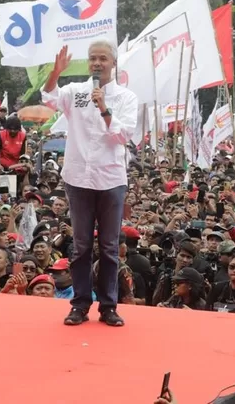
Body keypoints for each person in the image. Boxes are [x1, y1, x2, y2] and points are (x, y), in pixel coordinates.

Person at [42, 41, 138, 327]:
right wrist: (56, 72)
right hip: (78, 178)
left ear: (113, 63)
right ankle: (80, 304)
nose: (97, 63)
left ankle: (108, 306)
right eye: (93, 59)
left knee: (109, 247)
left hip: (110, 179)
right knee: (81, 246)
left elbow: (123, 136)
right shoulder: (75, 92)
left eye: (103, 58)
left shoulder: (126, 97)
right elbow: (48, 98)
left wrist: (104, 107)